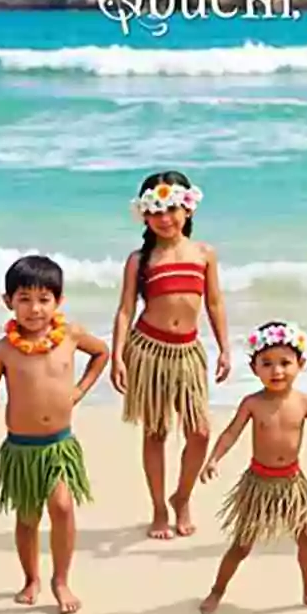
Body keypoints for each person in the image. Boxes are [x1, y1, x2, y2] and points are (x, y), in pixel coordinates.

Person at [0, 255, 111, 614]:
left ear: (58, 302)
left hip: (59, 444)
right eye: (25, 299)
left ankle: (60, 580)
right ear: (8, 302)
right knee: (28, 517)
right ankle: (31, 578)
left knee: (62, 507)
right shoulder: (3, 350)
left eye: (44, 299)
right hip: (21, 448)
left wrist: (79, 391)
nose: (35, 309)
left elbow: (102, 353)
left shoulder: (71, 336)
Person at [110, 170, 234, 539]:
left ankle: (182, 496)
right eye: (157, 211)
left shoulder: (203, 253)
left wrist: (225, 347)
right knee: (156, 431)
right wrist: (117, 355)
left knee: (199, 431)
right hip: (148, 350)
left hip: (188, 352)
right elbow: (124, 310)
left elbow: (214, 302)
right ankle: (159, 508)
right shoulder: (140, 259)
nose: (166, 218)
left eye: (173, 208)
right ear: (145, 216)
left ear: (188, 209)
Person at [198, 321, 307, 614]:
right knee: (242, 544)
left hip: (291, 483)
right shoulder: (252, 403)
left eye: (285, 363)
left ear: (300, 364)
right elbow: (231, 433)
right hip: (259, 483)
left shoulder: (305, 403)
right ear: (255, 368)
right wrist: (214, 458)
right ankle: (217, 591)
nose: (276, 371)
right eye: (266, 364)